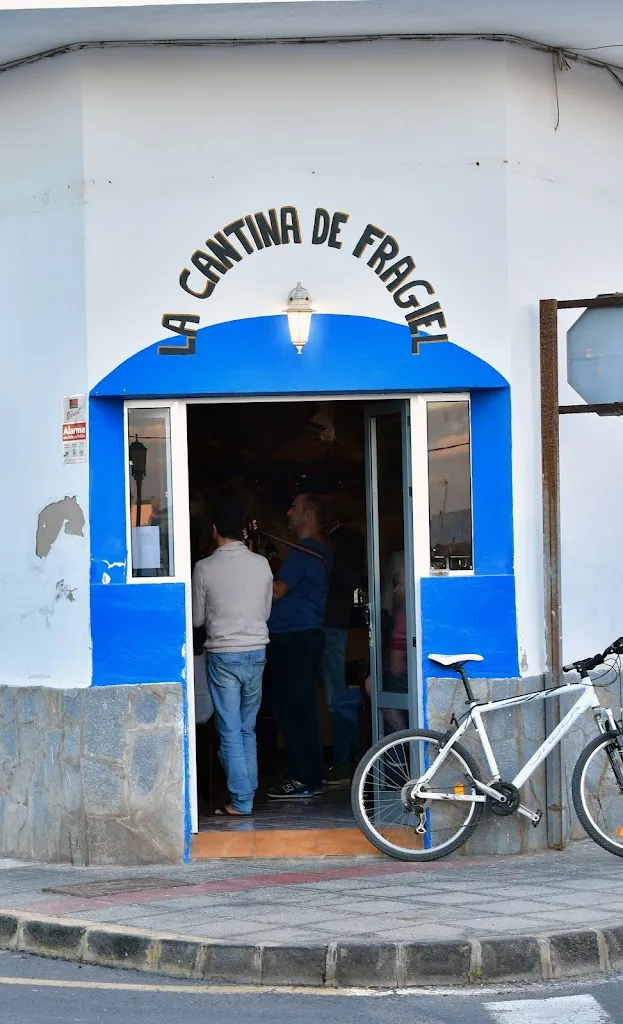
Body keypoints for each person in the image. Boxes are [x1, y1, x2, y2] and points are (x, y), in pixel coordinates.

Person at [192, 498, 273, 816]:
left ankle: (242, 800)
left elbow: (198, 619)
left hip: (224, 655)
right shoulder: (262, 565)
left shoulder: (205, 567)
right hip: (256, 652)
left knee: (228, 728)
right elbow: (265, 611)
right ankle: (247, 791)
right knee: (246, 727)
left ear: (214, 530)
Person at [266, 493, 333, 799]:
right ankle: (310, 774)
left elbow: (277, 591)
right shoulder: (319, 551)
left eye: (293, 507)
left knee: (292, 708)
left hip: (296, 638)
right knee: (302, 707)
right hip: (305, 637)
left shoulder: (305, 550)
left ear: (309, 515)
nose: (288, 512)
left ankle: (303, 777)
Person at [321, 508, 366, 786]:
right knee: (339, 698)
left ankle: (343, 763)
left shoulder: (341, 541)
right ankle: (347, 760)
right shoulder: (348, 539)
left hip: (333, 625)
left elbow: (347, 579)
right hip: (336, 625)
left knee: (336, 700)